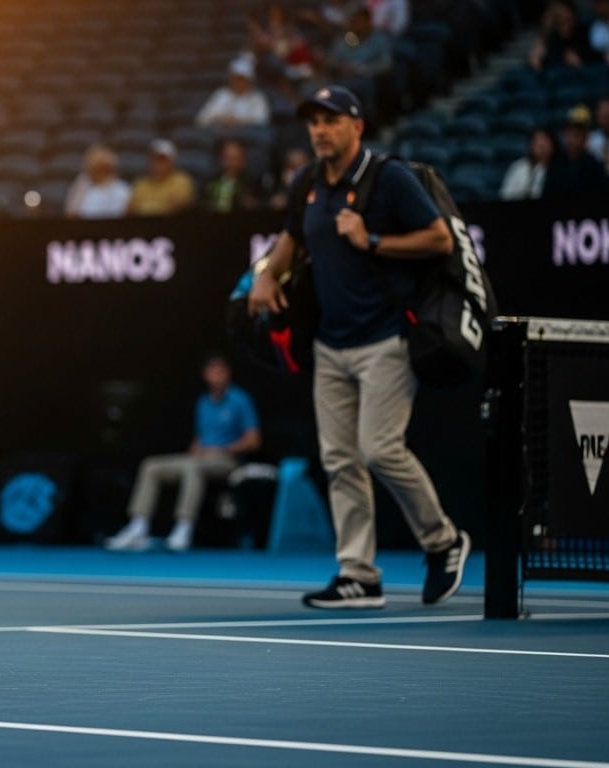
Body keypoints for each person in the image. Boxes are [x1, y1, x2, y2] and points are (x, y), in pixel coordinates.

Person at [246, 85, 471, 609]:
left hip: (385, 340)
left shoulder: (388, 177)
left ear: (356, 127)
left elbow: (439, 239)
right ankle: (359, 575)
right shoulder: (308, 181)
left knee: (380, 449)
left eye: (332, 121)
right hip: (330, 345)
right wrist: (263, 276)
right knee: (340, 460)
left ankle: (444, 542)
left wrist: (371, 240)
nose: (320, 130)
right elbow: (288, 243)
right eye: (314, 122)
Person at [104, 353, 261, 553]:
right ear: (205, 375)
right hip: (200, 457)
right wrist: (196, 448)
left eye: (222, 371)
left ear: (229, 374)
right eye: (213, 371)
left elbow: (254, 441)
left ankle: (183, 528)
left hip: (227, 459)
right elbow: (200, 437)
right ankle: (138, 526)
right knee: (151, 465)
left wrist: (221, 449)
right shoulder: (203, 402)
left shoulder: (240, 400)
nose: (218, 376)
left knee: (191, 467)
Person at [543, 104, 609, 199]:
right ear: (564, 136)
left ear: (586, 138)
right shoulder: (555, 164)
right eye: (569, 134)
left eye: (577, 135)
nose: (573, 139)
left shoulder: (594, 165)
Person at [195, 56, 271, 130]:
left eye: (241, 78)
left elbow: (262, 121)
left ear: (249, 80)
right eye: (235, 78)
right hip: (220, 135)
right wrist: (221, 119)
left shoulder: (257, 98)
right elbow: (202, 119)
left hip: (247, 137)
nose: (238, 82)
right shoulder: (221, 94)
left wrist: (239, 122)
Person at [127, 139, 196, 216]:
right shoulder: (140, 184)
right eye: (155, 158)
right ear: (149, 160)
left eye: (163, 159)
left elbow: (179, 207)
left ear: (172, 160)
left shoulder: (182, 181)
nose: (158, 163)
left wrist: (146, 208)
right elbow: (131, 209)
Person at [64, 144, 131, 219]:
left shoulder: (122, 189)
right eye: (94, 167)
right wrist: (81, 186)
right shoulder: (82, 184)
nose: (98, 171)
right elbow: (71, 214)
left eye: (101, 168)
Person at [200, 139, 263, 213]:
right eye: (228, 158)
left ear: (243, 161)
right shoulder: (209, 183)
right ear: (220, 160)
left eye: (235, 159)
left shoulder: (252, 185)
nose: (231, 163)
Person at [499, 126, 556, 200]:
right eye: (537, 141)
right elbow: (505, 195)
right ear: (531, 146)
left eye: (545, 140)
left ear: (553, 144)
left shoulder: (560, 170)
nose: (541, 145)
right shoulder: (518, 167)